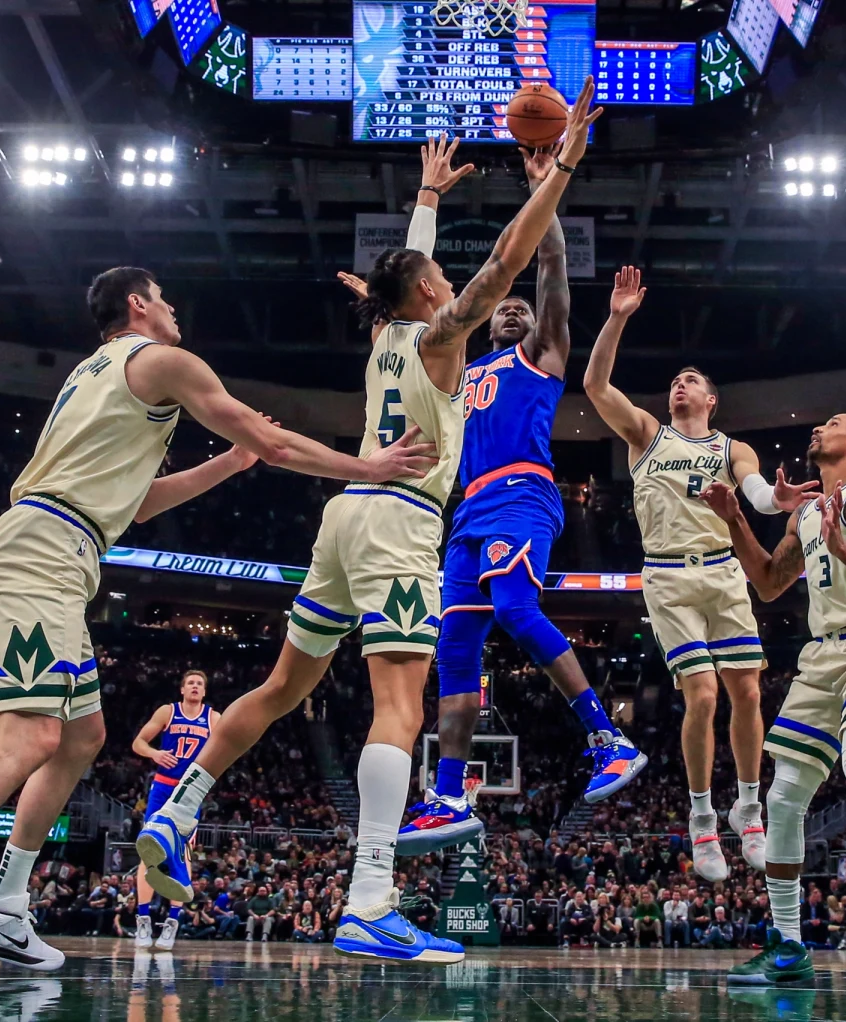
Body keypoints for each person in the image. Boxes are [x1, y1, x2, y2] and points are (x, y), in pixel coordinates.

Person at [137, 86, 603, 968]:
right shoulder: (437, 337)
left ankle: (182, 806)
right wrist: (563, 165)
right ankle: (370, 898)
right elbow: (506, 261)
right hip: (397, 519)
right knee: (399, 704)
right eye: (439, 279)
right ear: (430, 292)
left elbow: (413, 270)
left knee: (281, 688)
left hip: (342, 521)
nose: (449, 282)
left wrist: (427, 198)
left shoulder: (390, 333)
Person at [0, 268, 434, 986]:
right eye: (165, 298)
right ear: (138, 305)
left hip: (65, 542)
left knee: (83, 736)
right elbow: (273, 442)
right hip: (44, 549)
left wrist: (231, 465)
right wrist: (366, 467)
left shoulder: (96, 373)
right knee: (29, 735)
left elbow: (137, 504)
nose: (176, 309)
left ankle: (5, 905)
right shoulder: (162, 359)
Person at [396, 148, 646, 856]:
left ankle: (608, 738)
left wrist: (546, 197)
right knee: (455, 650)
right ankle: (447, 793)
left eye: (519, 309)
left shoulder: (542, 356)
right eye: (501, 308)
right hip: (467, 513)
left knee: (514, 608)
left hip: (522, 495)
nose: (509, 310)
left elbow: (552, 275)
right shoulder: (467, 366)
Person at [583, 267, 817, 881]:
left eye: (690, 380)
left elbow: (760, 496)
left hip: (722, 574)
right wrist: (618, 317)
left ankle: (749, 807)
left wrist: (780, 502)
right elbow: (595, 383)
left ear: (710, 400)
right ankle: (701, 818)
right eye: (674, 380)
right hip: (667, 578)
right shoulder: (646, 436)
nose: (678, 384)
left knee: (745, 691)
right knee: (703, 693)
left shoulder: (731, 448)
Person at [703, 414, 846, 989]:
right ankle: (787, 948)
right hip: (822, 656)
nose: (817, 429)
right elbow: (771, 582)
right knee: (783, 798)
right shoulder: (804, 511)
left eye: (831, 424)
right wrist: (733, 522)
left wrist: (838, 547)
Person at [130, 669, 220, 951]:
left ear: (204, 692)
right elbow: (138, 743)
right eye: (190, 683)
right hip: (162, 788)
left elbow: (227, 749)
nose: (195, 686)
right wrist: (155, 753)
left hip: (190, 792)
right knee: (149, 850)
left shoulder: (213, 718)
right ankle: (143, 919)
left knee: (182, 854)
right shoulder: (168, 712)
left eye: (200, 684)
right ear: (182, 689)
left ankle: (172, 921)